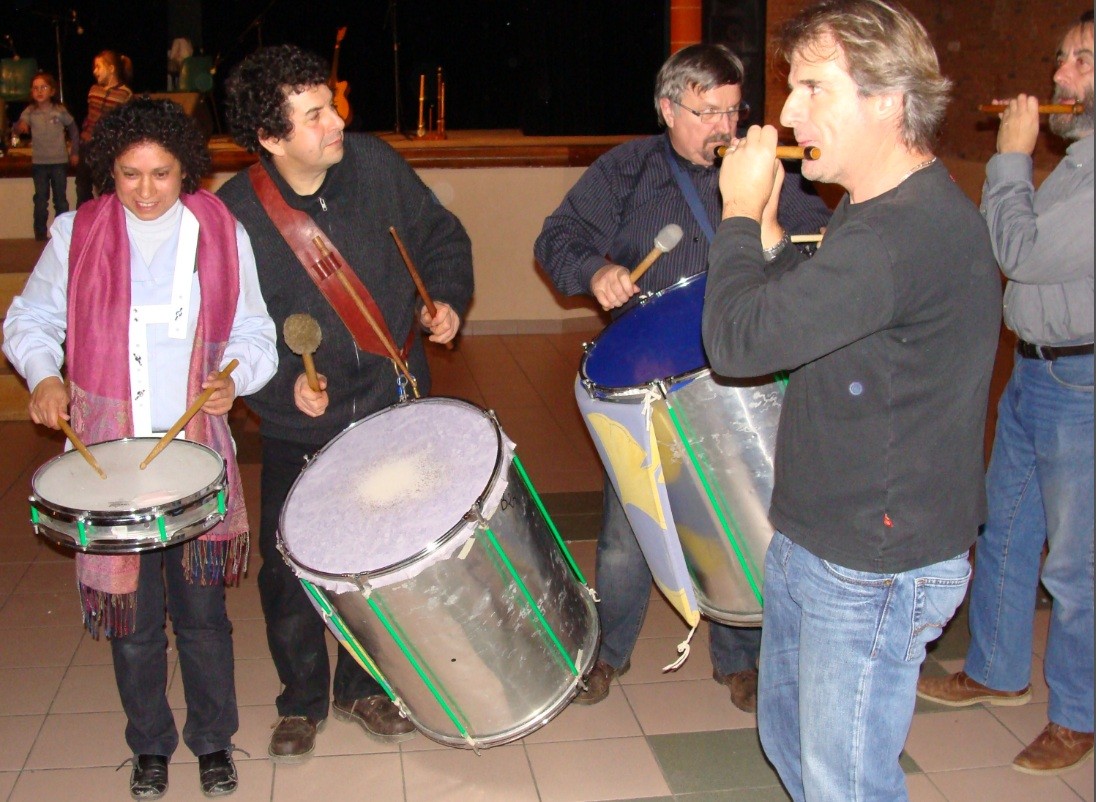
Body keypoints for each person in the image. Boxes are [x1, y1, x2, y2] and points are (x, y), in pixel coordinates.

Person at [700, 0, 1002, 797]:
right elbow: (814, 312)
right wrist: (765, 229)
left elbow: (736, 345)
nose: (790, 111)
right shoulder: (878, 214)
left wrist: (734, 211)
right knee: (795, 748)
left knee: (846, 782)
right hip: (826, 534)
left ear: (888, 99)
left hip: (872, 561)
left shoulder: (898, 235)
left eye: (812, 88)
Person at [535, 43, 831, 712]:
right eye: (707, 112)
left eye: (733, 110)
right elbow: (558, 237)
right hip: (652, 383)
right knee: (625, 532)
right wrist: (595, 272)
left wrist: (779, 234)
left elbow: (820, 245)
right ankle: (606, 652)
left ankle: (741, 660)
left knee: (738, 510)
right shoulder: (628, 169)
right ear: (668, 109)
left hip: (745, 368)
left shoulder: (767, 167)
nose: (725, 127)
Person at [2, 97, 278, 800]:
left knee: (204, 618)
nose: (146, 191)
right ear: (109, 171)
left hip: (195, 451)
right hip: (110, 459)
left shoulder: (220, 230)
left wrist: (234, 377)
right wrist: (44, 375)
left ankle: (214, 740)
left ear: (186, 170)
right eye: (130, 175)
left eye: (162, 174)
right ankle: (149, 746)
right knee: (133, 622)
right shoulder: (76, 232)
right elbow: (29, 319)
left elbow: (255, 331)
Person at [217, 44, 474, 763]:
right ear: (270, 138)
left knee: (382, 559)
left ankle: (362, 686)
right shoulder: (235, 214)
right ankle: (300, 699)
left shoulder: (375, 163)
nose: (337, 121)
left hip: (390, 401)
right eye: (315, 115)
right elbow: (226, 331)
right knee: (288, 565)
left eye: (330, 104)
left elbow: (441, 236)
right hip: (302, 421)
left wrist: (446, 298)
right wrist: (275, 389)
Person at [916, 9, 1094, 776]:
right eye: (1063, 59)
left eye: (1081, 62)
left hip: (1082, 384)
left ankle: (1080, 715)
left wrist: (1011, 159)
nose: (1059, 77)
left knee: (1078, 566)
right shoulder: (1083, 161)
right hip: (1036, 371)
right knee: (1008, 528)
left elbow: (1015, 249)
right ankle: (995, 670)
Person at [12, 72, 79, 241]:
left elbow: (73, 129)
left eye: (44, 87)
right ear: (31, 92)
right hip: (40, 163)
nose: (39, 91)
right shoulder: (30, 111)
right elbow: (16, 130)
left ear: (52, 91)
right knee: (41, 200)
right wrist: (20, 126)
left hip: (59, 162)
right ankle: (40, 234)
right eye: (35, 88)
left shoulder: (59, 110)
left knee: (61, 200)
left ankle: (63, 233)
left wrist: (75, 151)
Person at [75, 49, 133, 206]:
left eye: (98, 67)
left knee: (106, 188)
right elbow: (90, 117)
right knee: (82, 188)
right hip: (87, 145)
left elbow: (124, 122)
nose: (95, 71)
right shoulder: (94, 90)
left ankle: (107, 221)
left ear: (111, 68)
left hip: (108, 148)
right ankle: (84, 222)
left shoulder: (124, 93)